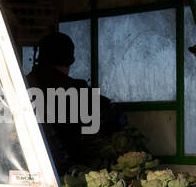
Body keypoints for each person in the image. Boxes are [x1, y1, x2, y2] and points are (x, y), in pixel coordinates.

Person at [25, 32, 124, 172]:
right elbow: (117, 118)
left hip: (20, 169)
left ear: (39, 57)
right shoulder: (77, 91)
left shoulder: (18, 87)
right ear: (70, 59)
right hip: (68, 174)